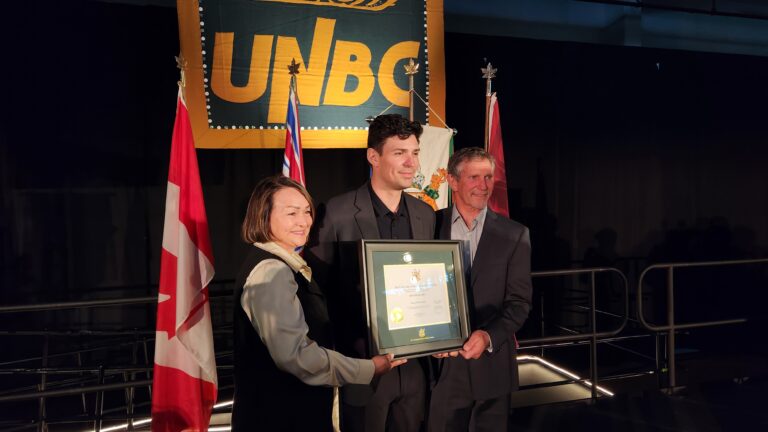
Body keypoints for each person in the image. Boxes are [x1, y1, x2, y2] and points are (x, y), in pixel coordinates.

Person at [231, 175, 405, 431]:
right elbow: (297, 356)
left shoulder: (282, 265)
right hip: (279, 419)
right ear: (263, 215)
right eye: (292, 213)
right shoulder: (271, 271)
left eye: (307, 211)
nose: (304, 222)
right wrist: (368, 368)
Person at [306, 114, 435, 432]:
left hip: (416, 368)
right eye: (399, 153)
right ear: (373, 157)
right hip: (362, 368)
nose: (411, 163)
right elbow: (315, 291)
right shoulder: (336, 212)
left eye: (415, 152)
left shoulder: (425, 214)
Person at [429, 147, 532, 432]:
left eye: (488, 177)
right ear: (452, 181)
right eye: (474, 177)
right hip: (442, 372)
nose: (483, 185)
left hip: (493, 369)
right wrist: (426, 339)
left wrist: (488, 335)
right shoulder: (428, 225)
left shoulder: (515, 234)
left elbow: (519, 303)